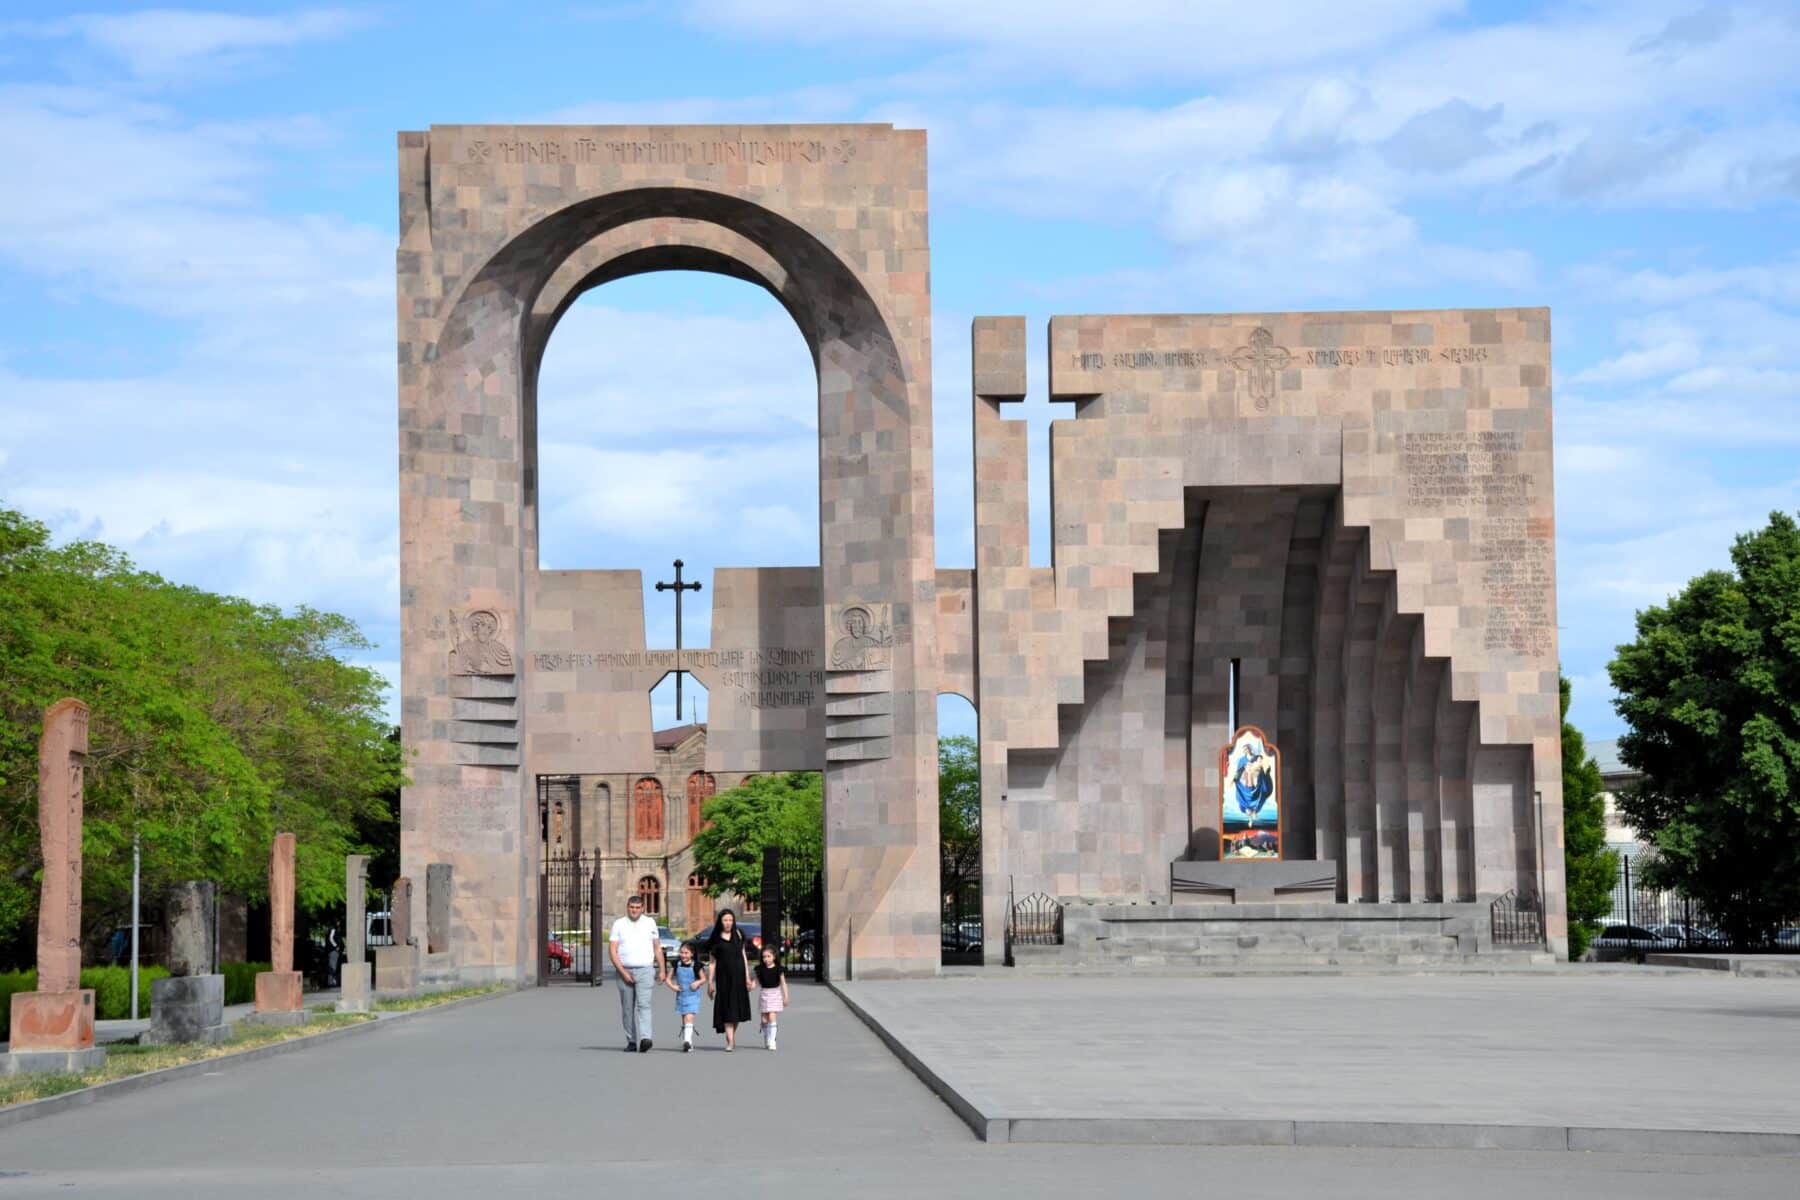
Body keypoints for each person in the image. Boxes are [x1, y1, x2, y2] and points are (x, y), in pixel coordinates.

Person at [608, 894, 665, 1052]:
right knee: (627, 1008)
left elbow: (657, 947)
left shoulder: (650, 923)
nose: (634, 910)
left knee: (644, 1005)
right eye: (632, 908)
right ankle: (631, 1041)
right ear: (627, 907)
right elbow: (612, 950)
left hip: (645, 969)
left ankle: (646, 1038)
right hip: (624, 970)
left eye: (637, 908)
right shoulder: (619, 924)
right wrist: (623, 972)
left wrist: (662, 969)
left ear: (642, 909)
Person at [704, 908, 753, 1051]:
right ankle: (730, 1041)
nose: (728, 923)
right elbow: (712, 962)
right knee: (726, 1007)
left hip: (738, 976)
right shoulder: (716, 939)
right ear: (720, 921)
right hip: (723, 977)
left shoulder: (738, 934)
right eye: (725, 920)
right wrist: (710, 982)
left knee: (737, 1009)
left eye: (730, 920)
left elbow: (743, 956)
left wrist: (747, 976)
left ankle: (732, 1036)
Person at [664, 941, 705, 1052]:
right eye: (681, 952)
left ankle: (687, 1041)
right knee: (684, 1019)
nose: (683, 955)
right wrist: (673, 987)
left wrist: (697, 983)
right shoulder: (676, 964)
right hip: (681, 995)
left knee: (689, 1017)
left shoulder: (696, 965)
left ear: (692, 954)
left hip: (693, 995)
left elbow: (703, 978)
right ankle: (688, 1042)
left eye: (686, 953)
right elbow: (667, 979)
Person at [752, 944, 789, 1052]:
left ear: (774, 957)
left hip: (775, 994)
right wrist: (750, 986)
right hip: (764, 994)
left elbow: (783, 983)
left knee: (772, 1016)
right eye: (764, 957)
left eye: (768, 956)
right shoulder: (760, 969)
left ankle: (772, 1040)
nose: (766, 959)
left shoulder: (779, 969)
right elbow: (756, 982)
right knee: (764, 1020)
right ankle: (767, 1036)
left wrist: (786, 996)